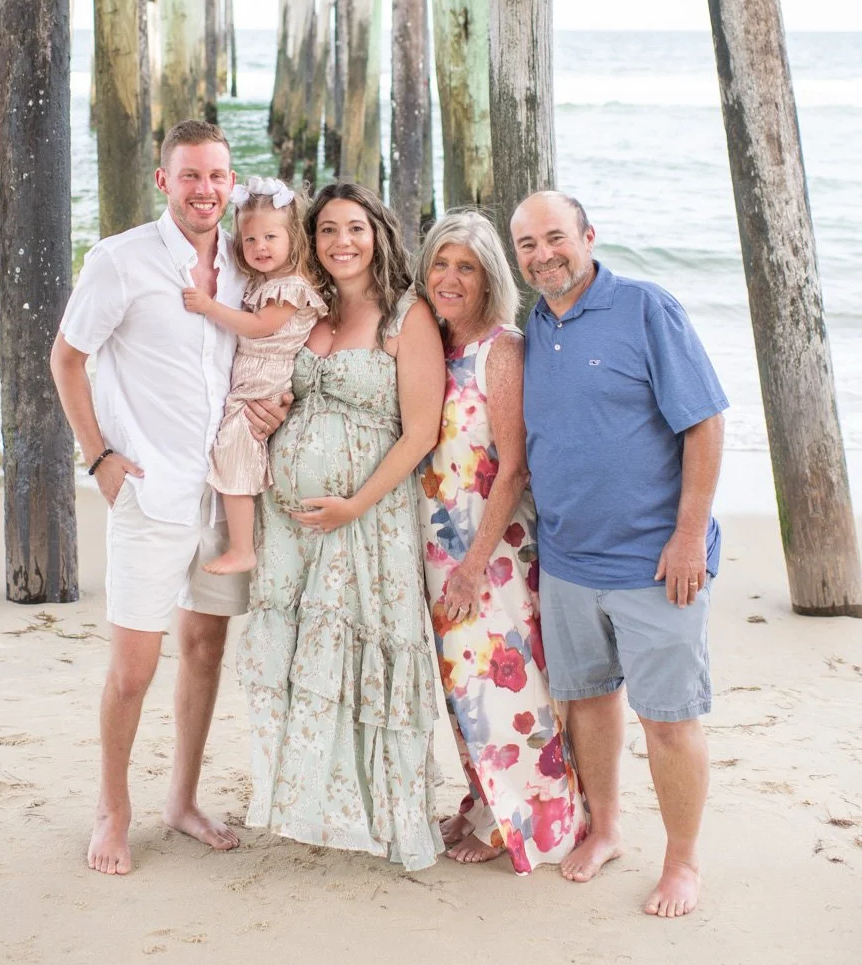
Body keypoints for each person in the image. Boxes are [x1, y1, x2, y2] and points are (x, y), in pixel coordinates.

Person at [50, 120, 288, 876]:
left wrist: (273, 409)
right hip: (148, 492)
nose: (206, 191)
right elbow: (67, 360)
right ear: (164, 181)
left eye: (218, 176)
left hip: (225, 494)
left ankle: (181, 800)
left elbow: (265, 354)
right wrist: (101, 459)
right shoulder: (120, 262)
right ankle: (112, 808)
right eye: (190, 176)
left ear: (232, 181)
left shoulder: (251, 267)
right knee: (133, 669)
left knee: (206, 648)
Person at [510, 190, 727, 918]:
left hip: (654, 563)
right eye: (527, 245)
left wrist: (689, 533)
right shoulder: (534, 327)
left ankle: (683, 862)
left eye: (555, 238)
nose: (543, 255)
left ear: (589, 236)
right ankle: (605, 827)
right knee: (588, 704)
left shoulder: (645, 309)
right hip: (568, 562)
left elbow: (704, 423)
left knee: (667, 718)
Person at [235, 182, 447, 871]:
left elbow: (418, 434)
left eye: (354, 228)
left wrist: (354, 505)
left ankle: (385, 815)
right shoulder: (308, 310)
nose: (341, 242)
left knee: (365, 651)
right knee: (304, 658)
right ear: (310, 240)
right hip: (289, 522)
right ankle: (315, 806)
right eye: (326, 230)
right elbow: (274, 382)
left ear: (378, 233)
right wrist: (270, 414)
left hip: (367, 520)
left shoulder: (406, 316)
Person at [416, 211, 587, 873]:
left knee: (504, 689)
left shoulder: (502, 349)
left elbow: (513, 467)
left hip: (491, 555)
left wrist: (473, 564)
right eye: (440, 263)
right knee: (461, 687)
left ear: (489, 277)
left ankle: (531, 821)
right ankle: (485, 801)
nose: (450, 278)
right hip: (441, 550)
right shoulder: (438, 344)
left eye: (466, 266)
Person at [181, 175, 326, 577]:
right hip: (253, 377)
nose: (260, 247)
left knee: (234, 447)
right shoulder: (267, 280)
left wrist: (209, 307)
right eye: (249, 241)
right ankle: (243, 542)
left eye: (270, 238)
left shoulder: (291, 287)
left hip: (265, 377)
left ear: (292, 238)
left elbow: (260, 326)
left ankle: (243, 548)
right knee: (232, 446)